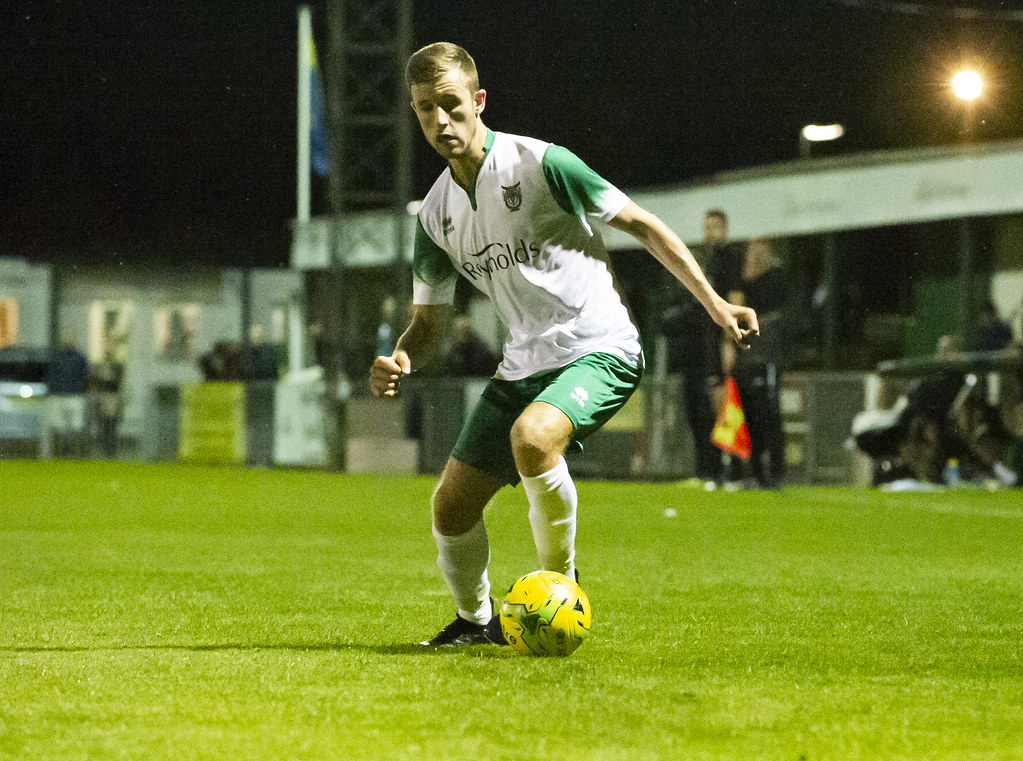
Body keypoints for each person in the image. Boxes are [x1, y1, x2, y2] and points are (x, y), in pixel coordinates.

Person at [370, 42, 758, 647]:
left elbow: (645, 227)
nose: (440, 122)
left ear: (478, 101)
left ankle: (561, 584)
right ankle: (477, 624)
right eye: (426, 111)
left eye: (450, 105)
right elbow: (428, 322)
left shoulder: (541, 164)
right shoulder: (434, 216)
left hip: (599, 347)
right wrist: (401, 356)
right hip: (522, 365)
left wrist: (716, 304)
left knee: (533, 438)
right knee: (450, 507)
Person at [661, 209, 746, 486]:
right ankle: (705, 472)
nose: (712, 233)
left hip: (715, 345)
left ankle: (729, 472)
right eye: (708, 227)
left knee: (720, 409)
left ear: (726, 229)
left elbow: (735, 298)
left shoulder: (730, 258)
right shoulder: (704, 260)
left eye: (717, 227)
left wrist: (729, 342)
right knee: (698, 410)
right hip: (697, 348)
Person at [731, 238, 788, 488]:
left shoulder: (776, 281)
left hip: (767, 357)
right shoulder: (742, 285)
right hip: (747, 358)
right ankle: (754, 471)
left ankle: (775, 470)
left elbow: (779, 317)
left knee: (770, 413)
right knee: (750, 414)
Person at [42, 332, 90, 458]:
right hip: (64, 395)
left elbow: (84, 376)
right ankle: (62, 455)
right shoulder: (60, 357)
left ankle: (74, 456)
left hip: (71, 395)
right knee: (61, 427)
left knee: (74, 427)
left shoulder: (71, 357)